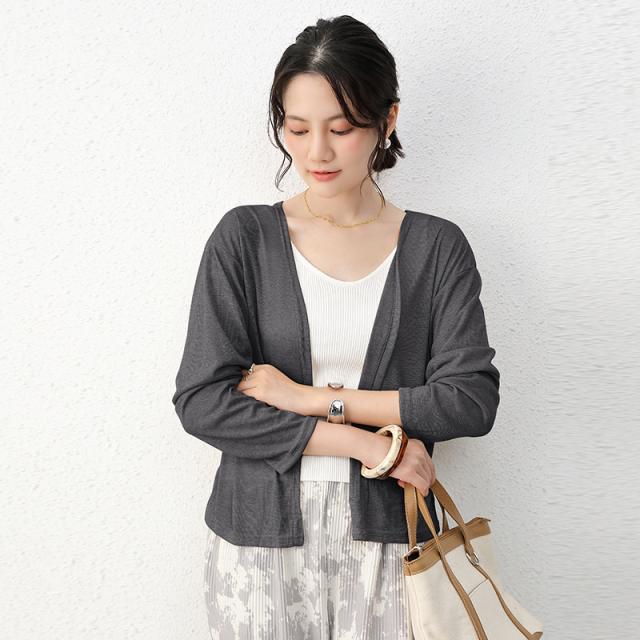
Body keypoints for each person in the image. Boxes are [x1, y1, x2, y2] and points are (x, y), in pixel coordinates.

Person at [173, 14, 500, 640]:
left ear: (387, 120)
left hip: (394, 545)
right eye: (297, 128)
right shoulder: (244, 239)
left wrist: (307, 398)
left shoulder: (436, 249)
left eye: (342, 128)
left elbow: (469, 402)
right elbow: (203, 401)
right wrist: (367, 444)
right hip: (259, 545)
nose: (316, 152)